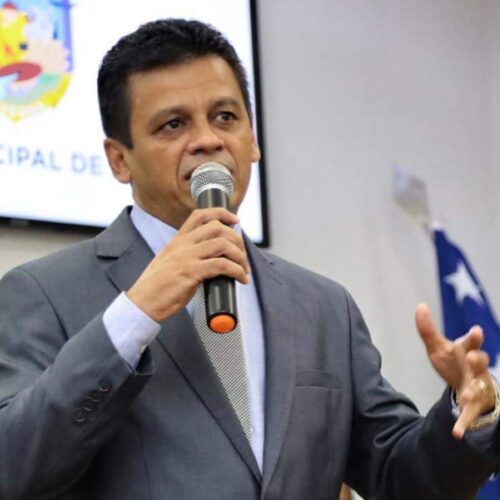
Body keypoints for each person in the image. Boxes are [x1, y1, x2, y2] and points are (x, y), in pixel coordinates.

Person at [0, 18, 499, 500]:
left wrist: (470, 409)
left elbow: (401, 479)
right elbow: (12, 468)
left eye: (225, 117)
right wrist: (136, 314)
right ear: (118, 159)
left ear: (253, 139)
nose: (208, 139)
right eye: (173, 124)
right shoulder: (43, 294)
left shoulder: (324, 308)